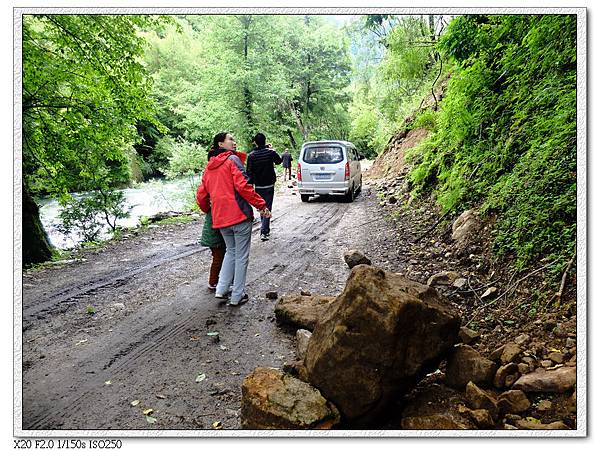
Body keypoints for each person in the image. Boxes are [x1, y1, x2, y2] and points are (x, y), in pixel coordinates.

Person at [196, 132, 271, 306]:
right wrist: (262, 205)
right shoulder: (232, 160)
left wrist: (212, 210)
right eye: (230, 139)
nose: (234, 142)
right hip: (238, 215)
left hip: (220, 219)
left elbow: (201, 196)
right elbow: (244, 186)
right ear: (220, 144)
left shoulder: (209, 167)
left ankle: (221, 290)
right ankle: (237, 295)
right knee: (242, 256)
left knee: (231, 252)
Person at [245, 133, 282, 241]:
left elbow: (249, 172)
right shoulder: (270, 152)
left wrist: (249, 186)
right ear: (265, 141)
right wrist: (271, 150)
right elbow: (279, 161)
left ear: (255, 142)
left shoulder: (251, 155)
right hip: (269, 183)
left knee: (261, 206)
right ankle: (264, 231)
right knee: (267, 206)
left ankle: (264, 228)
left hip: (259, 185)